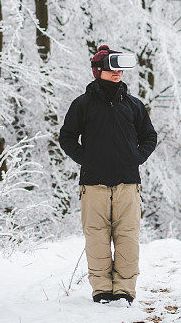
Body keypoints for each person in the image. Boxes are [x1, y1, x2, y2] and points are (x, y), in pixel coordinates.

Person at [59, 44, 157, 306]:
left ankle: (125, 290)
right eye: (111, 68)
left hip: (128, 184)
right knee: (96, 237)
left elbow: (149, 136)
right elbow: (67, 137)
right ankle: (101, 290)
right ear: (97, 71)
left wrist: (136, 157)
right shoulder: (82, 105)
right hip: (93, 185)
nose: (117, 73)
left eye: (120, 68)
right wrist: (86, 159)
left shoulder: (134, 105)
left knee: (127, 236)